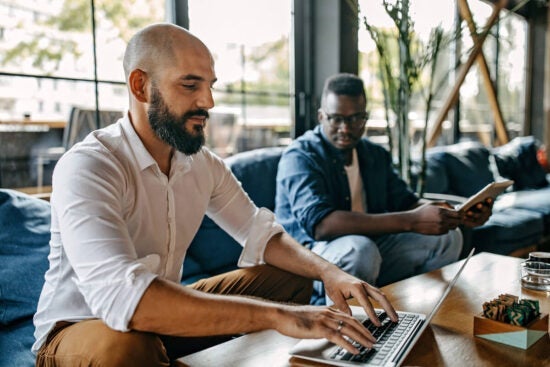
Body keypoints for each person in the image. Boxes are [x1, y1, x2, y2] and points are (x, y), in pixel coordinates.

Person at [32, 25, 399, 366]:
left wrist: (331, 273)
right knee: (128, 346)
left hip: (159, 323)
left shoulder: (202, 164)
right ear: (141, 86)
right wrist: (282, 317)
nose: (208, 101)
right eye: (190, 86)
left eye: (210, 85)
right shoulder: (89, 167)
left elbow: (261, 233)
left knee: (291, 278)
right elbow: (128, 300)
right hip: (79, 330)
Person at [275, 73, 492, 305]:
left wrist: (452, 214)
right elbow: (321, 226)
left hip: (372, 250)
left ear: (365, 118)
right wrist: (411, 221)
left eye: (355, 118)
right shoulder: (300, 156)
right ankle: (348, 328)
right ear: (321, 117)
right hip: (314, 259)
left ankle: (420, 311)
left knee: (448, 236)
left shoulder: (374, 154)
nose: (345, 128)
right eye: (336, 118)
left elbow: (406, 202)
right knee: (359, 250)